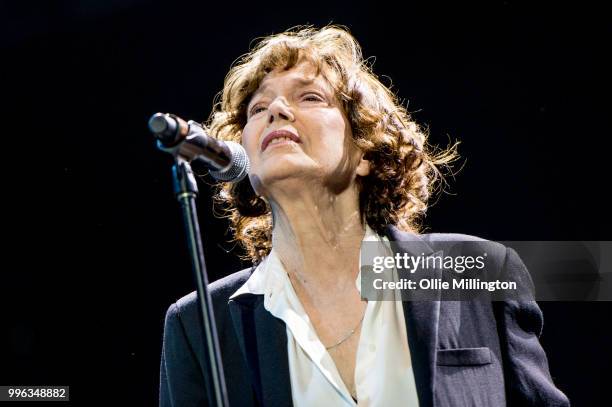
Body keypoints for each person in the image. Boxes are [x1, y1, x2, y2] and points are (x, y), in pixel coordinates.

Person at [159, 25, 569, 406]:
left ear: (366, 154)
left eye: (310, 97)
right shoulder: (198, 325)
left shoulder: (478, 269)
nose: (277, 110)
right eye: (257, 108)